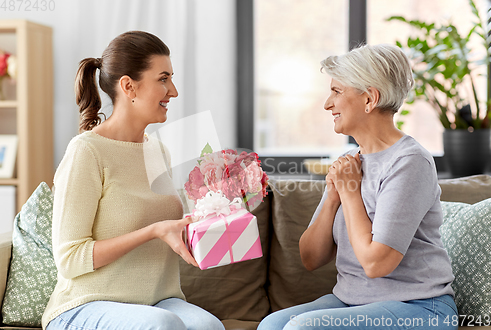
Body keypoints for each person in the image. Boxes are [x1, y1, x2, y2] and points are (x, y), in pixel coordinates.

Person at [257, 44, 458, 330]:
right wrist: (332, 197)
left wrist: (350, 193)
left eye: (337, 91)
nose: (328, 104)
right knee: (270, 326)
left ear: (369, 98)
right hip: (351, 302)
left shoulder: (409, 162)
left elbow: (377, 265)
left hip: (419, 307)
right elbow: (310, 258)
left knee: (301, 329)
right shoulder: (349, 164)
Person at [42, 31, 224, 330]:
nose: (174, 91)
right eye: (163, 79)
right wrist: (152, 231)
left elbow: (166, 228)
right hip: (85, 304)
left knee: (209, 327)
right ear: (129, 86)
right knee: (162, 325)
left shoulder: (157, 149)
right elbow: (70, 259)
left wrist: (209, 218)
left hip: (156, 301)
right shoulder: (87, 151)